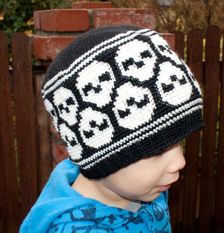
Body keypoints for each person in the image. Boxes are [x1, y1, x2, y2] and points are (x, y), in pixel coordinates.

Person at [20, 25, 205, 233]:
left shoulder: (146, 188)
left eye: (178, 141)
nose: (180, 162)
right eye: (156, 150)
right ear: (101, 157)